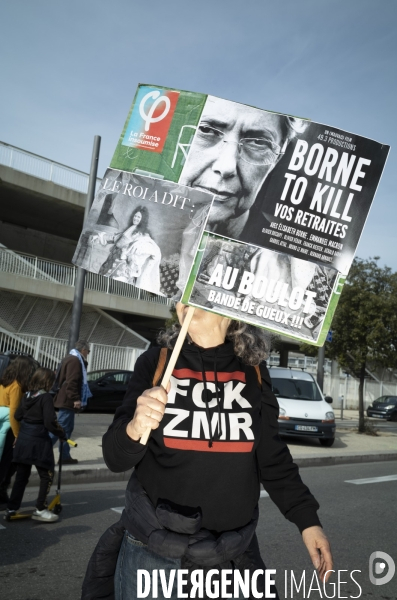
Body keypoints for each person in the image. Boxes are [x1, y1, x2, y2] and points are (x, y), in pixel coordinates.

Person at [82, 303, 333, 600]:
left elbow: (272, 458)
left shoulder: (253, 371)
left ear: (230, 306)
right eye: (183, 293)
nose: (185, 301)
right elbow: (115, 457)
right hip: (152, 552)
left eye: (198, 291)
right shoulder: (156, 362)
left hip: (230, 555)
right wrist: (135, 427)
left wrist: (308, 521)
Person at [177, 96, 317, 293]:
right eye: (207, 131)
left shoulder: (290, 265)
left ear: (278, 158)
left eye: (258, 142)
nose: (226, 166)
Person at [5, 367, 66, 523]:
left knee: (21, 476)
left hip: (23, 441)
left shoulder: (27, 395)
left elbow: (17, 415)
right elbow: (50, 422)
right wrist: (61, 434)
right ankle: (40, 508)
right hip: (38, 442)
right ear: (47, 381)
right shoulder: (45, 398)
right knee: (47, 474)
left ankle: (12, 507)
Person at [93, 206, 162, 294]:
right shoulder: (130, 228)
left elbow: (147, 247)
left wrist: (129, 254)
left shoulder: (142, 234)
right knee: (101, 284)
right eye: (135, 216)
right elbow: (115, 238)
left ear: (142, 219)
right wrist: (99, 236)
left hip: (123, 264)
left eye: (138, 217)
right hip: (112, 259)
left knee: (115, 287)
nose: (136, 218)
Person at [0, 356, 36, 505]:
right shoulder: (17, 385)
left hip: (2, 425)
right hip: (9, 429)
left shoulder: (5, 382)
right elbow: (14, 412)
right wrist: (17, 434)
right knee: (8, 464)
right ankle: (1, 495)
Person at [50, 340, 91, 464]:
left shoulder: (69, 358)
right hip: (68, 400)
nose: (88, 353)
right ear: (83, 350)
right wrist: (75, 398)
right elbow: (72, 381)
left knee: (66, 429)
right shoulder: (74, 360)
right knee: (61, 428)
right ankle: (40, 449)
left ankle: (65, 456)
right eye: (88, 351)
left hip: (66, 399)